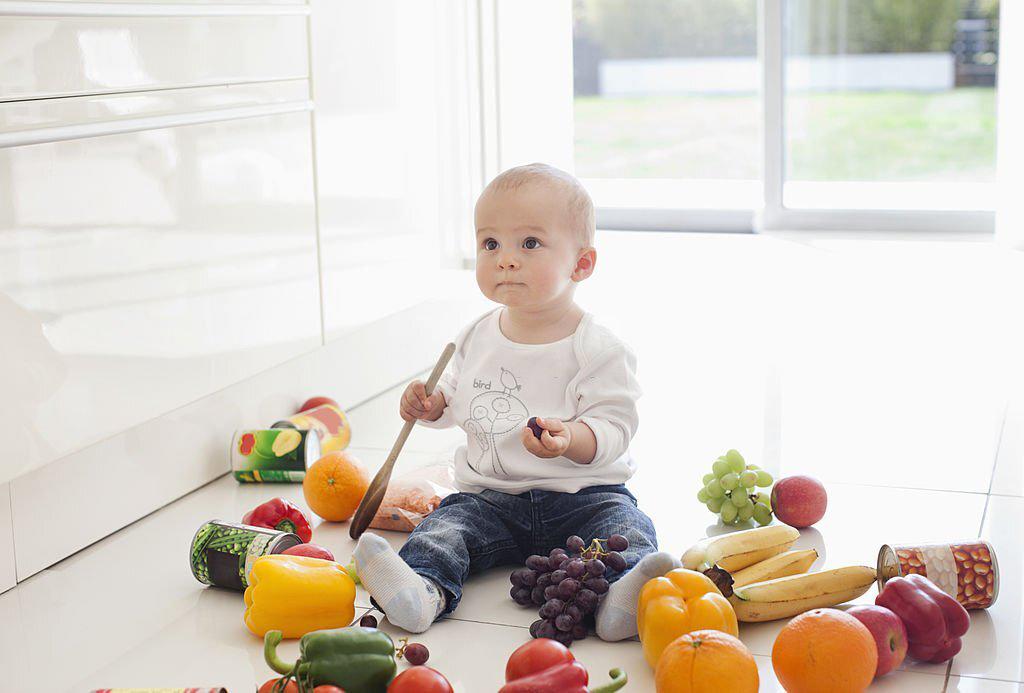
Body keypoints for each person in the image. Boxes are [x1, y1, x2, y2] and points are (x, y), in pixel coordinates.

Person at [353, 163, 679, 641]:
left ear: (581, 264)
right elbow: (460, 401)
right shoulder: (475, 336)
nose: (505, 259)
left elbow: (614, 427)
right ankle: (422, 590)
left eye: (529, 244)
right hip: (490, 498)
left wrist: (571, 438)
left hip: (583, 497)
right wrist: (433, 405)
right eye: (490, 244)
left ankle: (617, 601)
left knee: (625, 527)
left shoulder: (598, 347)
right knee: (445, 528)